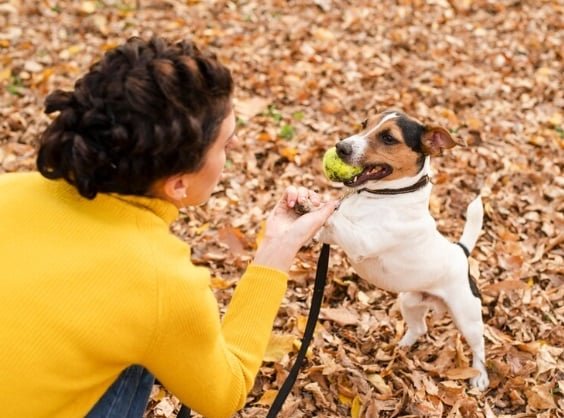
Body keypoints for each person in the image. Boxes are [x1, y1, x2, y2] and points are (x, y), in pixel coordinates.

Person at [0, 36, 337, 418]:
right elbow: (225, 394)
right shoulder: (159, 283)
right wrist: (277, 250)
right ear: (178, 183)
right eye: (226, 142)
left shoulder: (9, 188)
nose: (237, 145)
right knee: (143, 346)